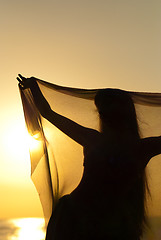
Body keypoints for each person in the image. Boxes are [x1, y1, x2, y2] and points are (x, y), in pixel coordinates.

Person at [17, 74, 161, 240]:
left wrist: (33, 88)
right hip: (86, 218)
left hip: (91, 220)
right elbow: (48, 113)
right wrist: (33, 88)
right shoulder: (138, 147)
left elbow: (48, 113)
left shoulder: (96, 140)